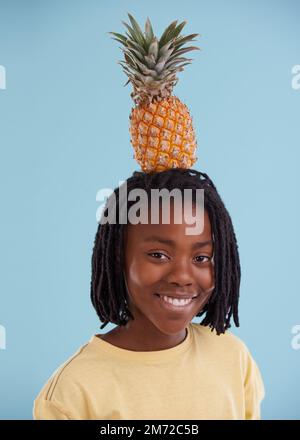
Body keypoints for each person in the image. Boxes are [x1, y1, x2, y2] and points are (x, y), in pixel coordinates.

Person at [33, 168, 265, 420]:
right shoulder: (73, 392)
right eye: (158, 255)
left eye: (201, 258)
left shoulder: (233, 357)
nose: (182, 276)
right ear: (117, 258)